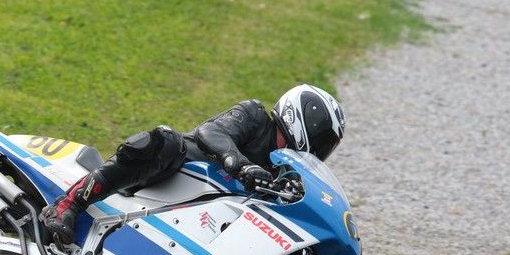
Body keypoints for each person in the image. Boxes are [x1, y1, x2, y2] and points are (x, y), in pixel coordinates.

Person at [41, 84, 346, 244]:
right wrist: (241, 166)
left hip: (202, 221)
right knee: (165, 141)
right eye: (322, 139)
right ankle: (68, 205)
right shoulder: (254, 115)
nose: (321, 150)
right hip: (169, 173)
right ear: (303, 119)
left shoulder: (283, 174)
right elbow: (210, 132)